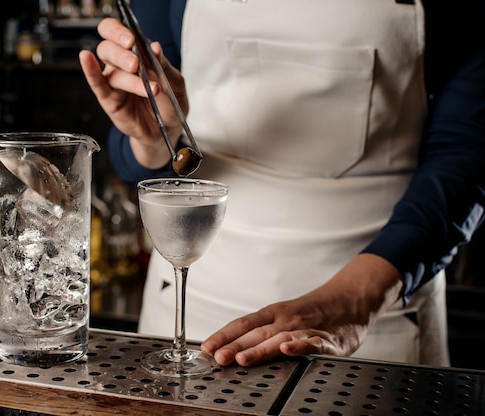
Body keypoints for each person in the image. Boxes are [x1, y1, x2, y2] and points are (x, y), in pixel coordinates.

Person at [79, 0, 485, 367]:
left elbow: (464, 156)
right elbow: (136, 166)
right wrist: (153, 139)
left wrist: (355, 300)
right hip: (189, 313)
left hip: (376, 319)